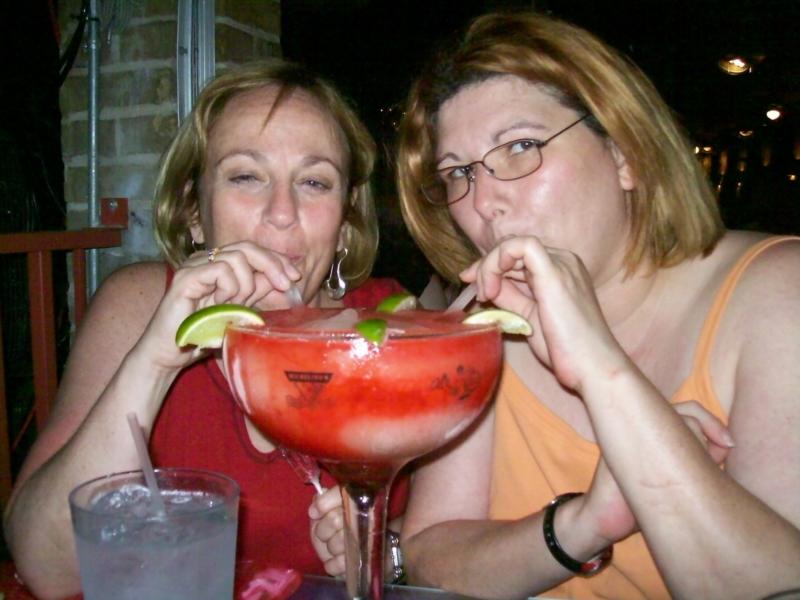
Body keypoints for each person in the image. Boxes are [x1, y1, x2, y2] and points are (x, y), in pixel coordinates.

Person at [393, 11, 800, 599]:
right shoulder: (481, 326)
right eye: (457, 172)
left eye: (520, 146)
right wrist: (586, 524)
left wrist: (600, 366)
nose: (483, 201)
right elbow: (430, 556)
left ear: (625, 153)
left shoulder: (777, 293)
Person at [3, 59, 406, 599]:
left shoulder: (394, 330)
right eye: (245, 176)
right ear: (194, 211)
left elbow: (445, 550)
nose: (282, 213)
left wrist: (388, 551)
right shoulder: (141, 306)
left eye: (314, 181)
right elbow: (45, 565)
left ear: (343, 225)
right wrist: (154, 359)